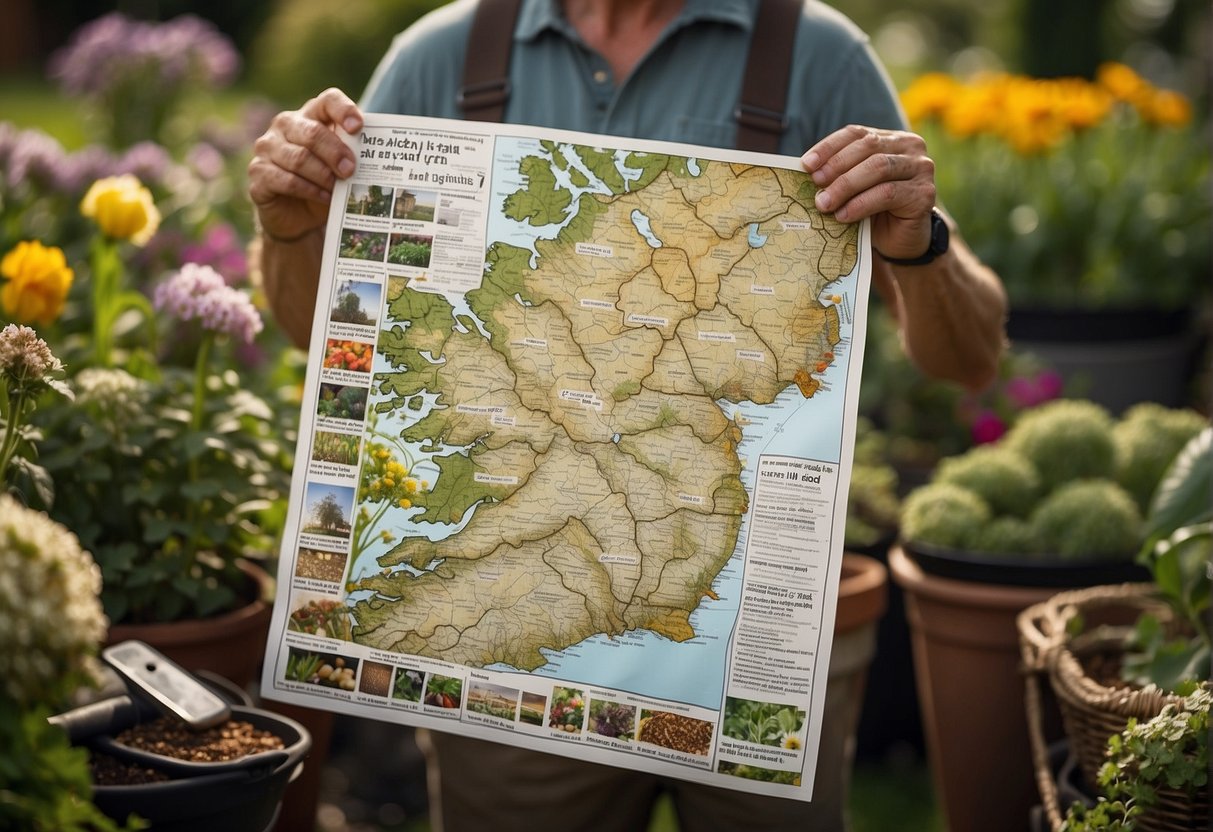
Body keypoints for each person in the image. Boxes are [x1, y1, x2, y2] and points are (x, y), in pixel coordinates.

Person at [248, 0, 1007, 829]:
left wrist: (919, 242)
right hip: (508, 646)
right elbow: (319, 331)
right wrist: (289, 230)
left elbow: (966, 358)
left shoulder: (817, 55)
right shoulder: (440, 58)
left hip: (741, 652)